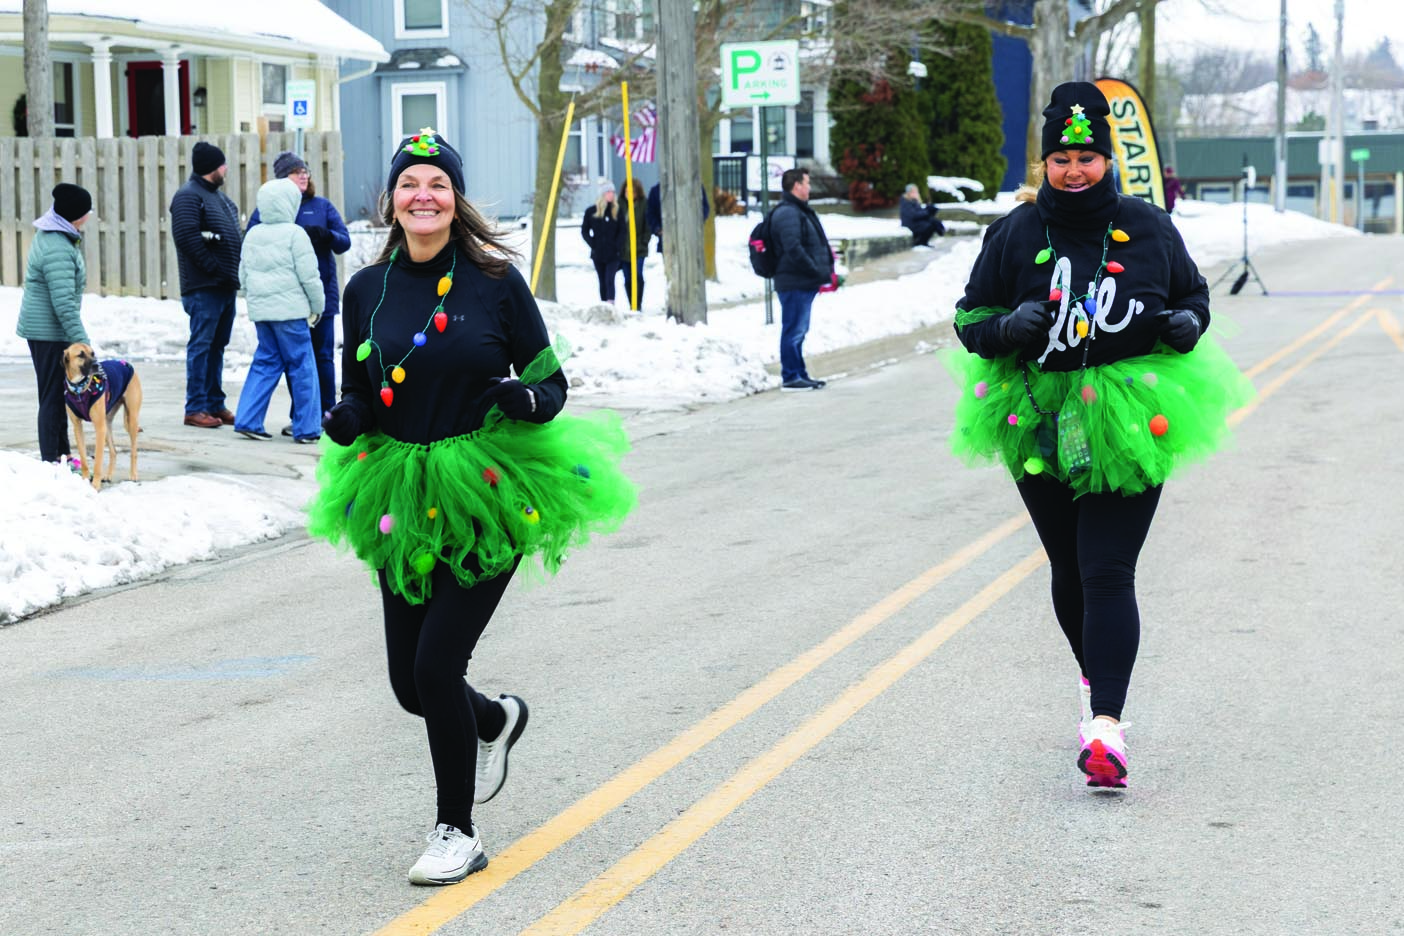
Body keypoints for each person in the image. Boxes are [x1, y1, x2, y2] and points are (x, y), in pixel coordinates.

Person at [306, 130, 635, 886]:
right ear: (391, 200)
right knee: (408, 684)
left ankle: (456, 830)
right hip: (397, 493)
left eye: (438, 184)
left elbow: (551, 383)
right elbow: (360, 387)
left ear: (455, 200)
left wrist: (526, 398)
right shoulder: (365, 289)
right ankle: (492, 719)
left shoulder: (494, 281)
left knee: (435, 665)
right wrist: (350, 416)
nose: (423, 195)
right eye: (410, 183)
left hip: (487, 491)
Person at [946, 82, 1254, 790]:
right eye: (1060, 159)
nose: (1075, 170)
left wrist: (1188, 324)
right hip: (1037, 414)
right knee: (1068, 566)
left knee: (1107, 567)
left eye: (1087, 158)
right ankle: (1095, 682)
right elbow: (968, 318)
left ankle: (1107, 726)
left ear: (1107, 160)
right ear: (1043, 164)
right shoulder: (1015, 232)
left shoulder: (1149, 226)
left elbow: (1192, 294)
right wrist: (1007, 328)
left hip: (1128, 414)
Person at [247, 151, 351, 435]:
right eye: (296, 171)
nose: (303, 175)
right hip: (288, 300)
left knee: (322, 356)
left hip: (321, 294)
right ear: (283, 179)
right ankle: (302, 418)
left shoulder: (322, 206)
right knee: (297, 360)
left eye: (305, 170)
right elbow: (253, 244)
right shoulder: (268, 211)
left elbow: (344, 242)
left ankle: (327, 413)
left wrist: (327, 236)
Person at [232, 178, 324, 443]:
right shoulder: (295, 234)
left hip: (263, 313)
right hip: (291, 313)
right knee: (303, 367)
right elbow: (309, 277)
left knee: (266, 362)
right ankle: (307, 428)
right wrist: (317, 306)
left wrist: (255, 299)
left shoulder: (253, 234)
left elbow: (243, 275)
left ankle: (248, 419)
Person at [15, 183, 92, 465]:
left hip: (49, 329)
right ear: (76, 216)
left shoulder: (56, 236)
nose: (89, 215)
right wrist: (83, 343)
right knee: (52, 396)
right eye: (87, 211)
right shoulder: (57, 247)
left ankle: (62, 455)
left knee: (58, 395)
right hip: (47, 332)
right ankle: (51, 461)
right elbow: (63, 303)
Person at [170, 141, 243, 429]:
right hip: (204, 287)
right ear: (212, 167)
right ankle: (195, 407)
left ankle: (214, 402)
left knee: (217, 346)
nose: (226, 169)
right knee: (202, 345)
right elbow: (187, 239)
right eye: (222, 164)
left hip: (225, 285)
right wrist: (215, 269)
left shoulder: (220, 199)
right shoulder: (188, 196)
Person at [771, 167, 835, 392]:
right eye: (806, 183)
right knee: (793, 330)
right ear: (796, 186)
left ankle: (799, 374)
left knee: (799, 330)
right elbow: (793, 248)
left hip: (801, 280)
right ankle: (790, 376)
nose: (809, 187)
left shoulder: (798, 210)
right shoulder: (788, 213)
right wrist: (813, 269)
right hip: (794, 281)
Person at [580, 180, 622, 302]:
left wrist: (617, 246)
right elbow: (584, 231)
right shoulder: (591, 212)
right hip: (598, 253)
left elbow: (622, 231)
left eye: (613, 192)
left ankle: (611, 303)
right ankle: (604, 305)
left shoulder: (617, 211)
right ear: (602, 194)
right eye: (608, 192)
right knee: (602, 280)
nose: (611, 194)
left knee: (610, 279)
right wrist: (593, 244)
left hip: (613, 254)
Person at [645, 181, 709, 253]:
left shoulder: (695, 186)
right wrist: (658, 229)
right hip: (667, 243)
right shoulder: (656, 191)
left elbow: (704, 208)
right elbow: (650, 215)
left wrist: (694, 224)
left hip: (691, 240)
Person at [615, 178, 650, 310]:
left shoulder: (643, 204)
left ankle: (638, 303)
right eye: (626, 191)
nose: (628, 194)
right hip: (624, 249)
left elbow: (647, 226)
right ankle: (632, 303)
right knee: (627, 278)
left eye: (631, 191)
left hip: (639, 248)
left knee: (638, 276)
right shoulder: (619, 204)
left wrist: (644, 241)